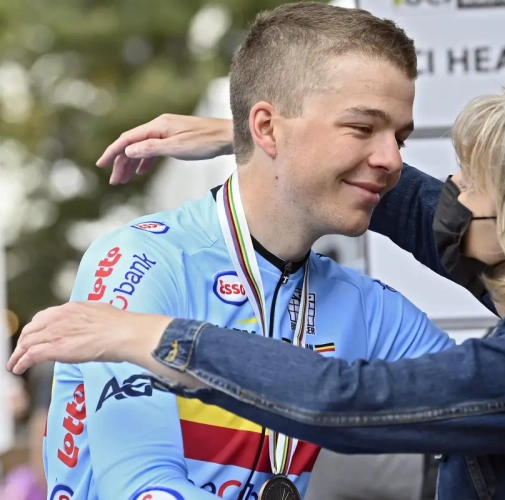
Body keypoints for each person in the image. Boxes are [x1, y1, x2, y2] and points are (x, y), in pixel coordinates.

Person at [10, 87, 505, 500]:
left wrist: (153, 336)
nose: (452, 195)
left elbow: (347, 402)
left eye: (471, 182)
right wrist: (268, 142)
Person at [31, 4, 459, 500]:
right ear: (267, 128)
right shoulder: (142, 260)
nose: (392, 161)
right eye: (363, 129)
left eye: (400, 138)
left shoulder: (368, 308)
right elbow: (141, 489)